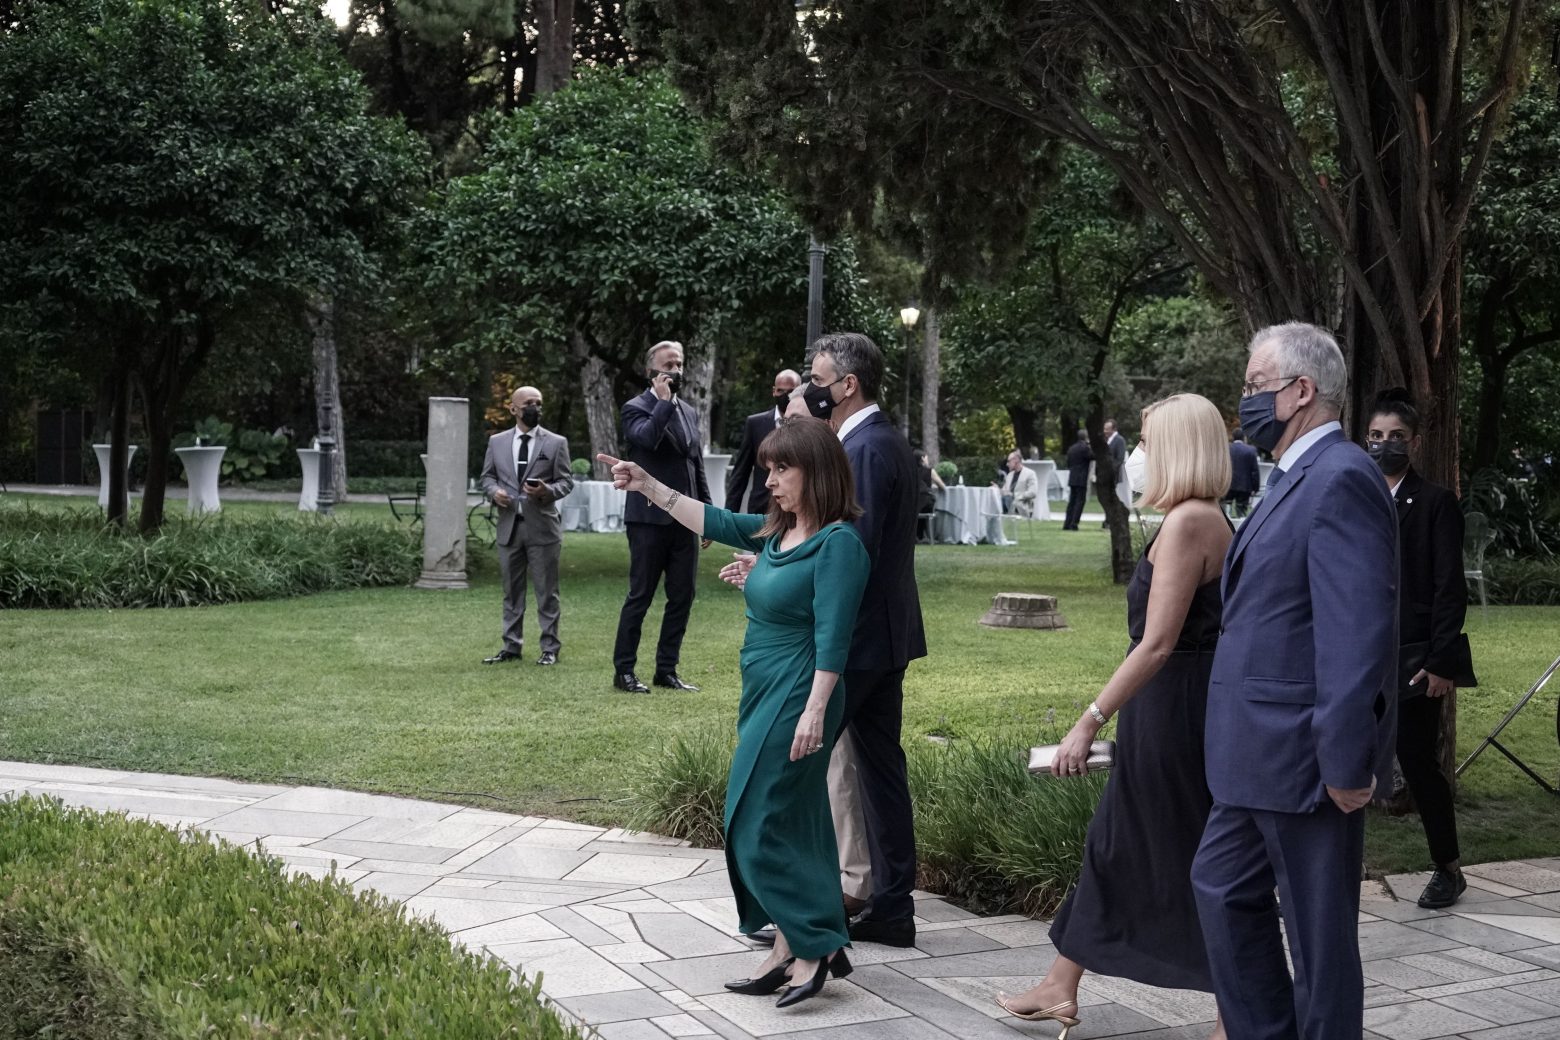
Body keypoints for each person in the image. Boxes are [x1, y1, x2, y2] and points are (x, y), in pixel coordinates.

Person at [597, 416, 869, 1009]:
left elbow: (834, 636)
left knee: (754, 819)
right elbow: (714, 521)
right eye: (768, 468)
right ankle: (796, 945)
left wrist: (815, 710)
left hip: (800, 693)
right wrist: (646, 484)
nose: (769, 480)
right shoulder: (778, 533)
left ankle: (814, 945)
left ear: (817, 472)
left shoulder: (839, 544)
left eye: (782, 469)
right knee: (795, 822)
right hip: (763, 689)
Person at [997, 394, 1232, 1039]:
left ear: (1178, 449)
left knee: (1185, 853)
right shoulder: (1194, 517)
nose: (1138, 454)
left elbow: (1157, 644)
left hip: (1176, 705)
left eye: (1148, 442)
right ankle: (1061, 982)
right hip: (1172, 703)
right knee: (1118, 842)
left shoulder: (1190, 523)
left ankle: (1233, 1009)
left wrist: (1089, 719)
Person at [1192, 322, 1397, 1040]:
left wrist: (1347, 760)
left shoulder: (1343, 477)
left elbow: (1355, 634)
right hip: (1252, 755)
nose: (1245, 399)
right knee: (1220, 890)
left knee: (1318, 942)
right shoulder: (1293, 475)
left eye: (1255, 385)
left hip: (1306, 758)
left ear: (1301, 390)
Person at [727, 334, 928, 947]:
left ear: (848, 385)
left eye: (817, 381)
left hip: (854, 643)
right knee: (878, 771)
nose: (810, 391)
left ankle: (803, 914)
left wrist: (779, 574)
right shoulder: (888, 440)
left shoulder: (860, 449)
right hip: (886, 637)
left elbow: (842, 554)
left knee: (791, 773)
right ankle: (890, 906)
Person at [1368, 388, 1476, 910]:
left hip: (1414, 658)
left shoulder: (1435, 503)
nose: (1384, 444)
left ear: (1414, 442)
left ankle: (1448, 867)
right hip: (1360, 654)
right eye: (1375, 436)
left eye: (1396, 436)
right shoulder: (1356, 496)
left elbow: (1449, 587)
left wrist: (1440, 661)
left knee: (1417, 760)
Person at [611, 341, 712, 694]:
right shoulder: (635, 408)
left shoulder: (689, 411)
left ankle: (666, 670)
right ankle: (624, 671)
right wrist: (663, 403)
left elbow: (695, 463)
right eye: (669, 365)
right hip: (648, 519)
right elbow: (648, 440)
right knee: (640, 595)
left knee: (682, 596)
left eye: (680, 364)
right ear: (651, 371)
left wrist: (706, 513)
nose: (677, 371)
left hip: (685, 517)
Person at [478, 386, 575, 666]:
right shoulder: (497, 442)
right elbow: (487, 477)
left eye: (538, 403)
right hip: (509, 527)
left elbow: (566, 482)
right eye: (529, 403)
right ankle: (511, 646)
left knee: (547, 592)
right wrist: (494, 492)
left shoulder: (556, 443)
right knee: (511, 591)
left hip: (543, 528)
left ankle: (549, 648)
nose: (535, 408)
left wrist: (547, 490)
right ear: (513, 409)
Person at [725, 369, 801, 513]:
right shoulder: (755, 424)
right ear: (774, 391)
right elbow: (741, 473)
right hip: (761, 507)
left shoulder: (808, 423)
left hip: (795, 507)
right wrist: (728, 515)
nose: (785, 396)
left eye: (790, 391)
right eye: (780, 391)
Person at [993, 449, 1040, 517]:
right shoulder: (1009, 475)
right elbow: (1005, 492)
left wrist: (1016, 496)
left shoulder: (1030, 473)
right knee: (995, 501)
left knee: (1005, 499)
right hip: (1008, 502)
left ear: (1015, 461)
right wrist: (997, 489)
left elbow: (1033, 492)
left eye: (1008, 461)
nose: (1007, 464)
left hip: (1021, 504)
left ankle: (996, 516)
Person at [1225, 429, 1260, 518]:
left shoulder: (1226, 449)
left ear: (1233, 437)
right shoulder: (1251, 450)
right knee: (1241, 513)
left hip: (1228, 485)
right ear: (1244, 437)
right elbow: (1254, 471)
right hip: (1245, 486)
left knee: (1225, 510)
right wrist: (1256, 488)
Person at [1063, 430, 1092, 530]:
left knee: (1072, 502)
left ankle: (1067, 523)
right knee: (1080, 501)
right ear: (1086, 437)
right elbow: (1093, 456)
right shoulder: (1085, 448)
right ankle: (1074, 523)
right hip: (1081, 478)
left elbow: (1068, 463)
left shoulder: (1071, 448)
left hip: (1073, 477)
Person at [915, 449, 945, 542]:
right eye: (926, 458)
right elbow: (942, 486)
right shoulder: (929, 471)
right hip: (925, 501)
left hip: (912, 503)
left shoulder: (910, 471)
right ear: (922, 458)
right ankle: (923, 536)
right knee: (928, 503)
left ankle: (918, 536)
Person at [1103, 418, 1129, 525]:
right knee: (1107, 499)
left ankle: (1112, 520)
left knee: (1112, 498)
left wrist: (1110, 470)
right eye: (1104, 429)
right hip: (1106, 474)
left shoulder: (1119, 440)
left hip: (1113, 474)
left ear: (1113, 429)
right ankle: (1108, 520)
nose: (1105, 431)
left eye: (1107, 429)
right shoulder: (1107, 440)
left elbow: (1120, 458)